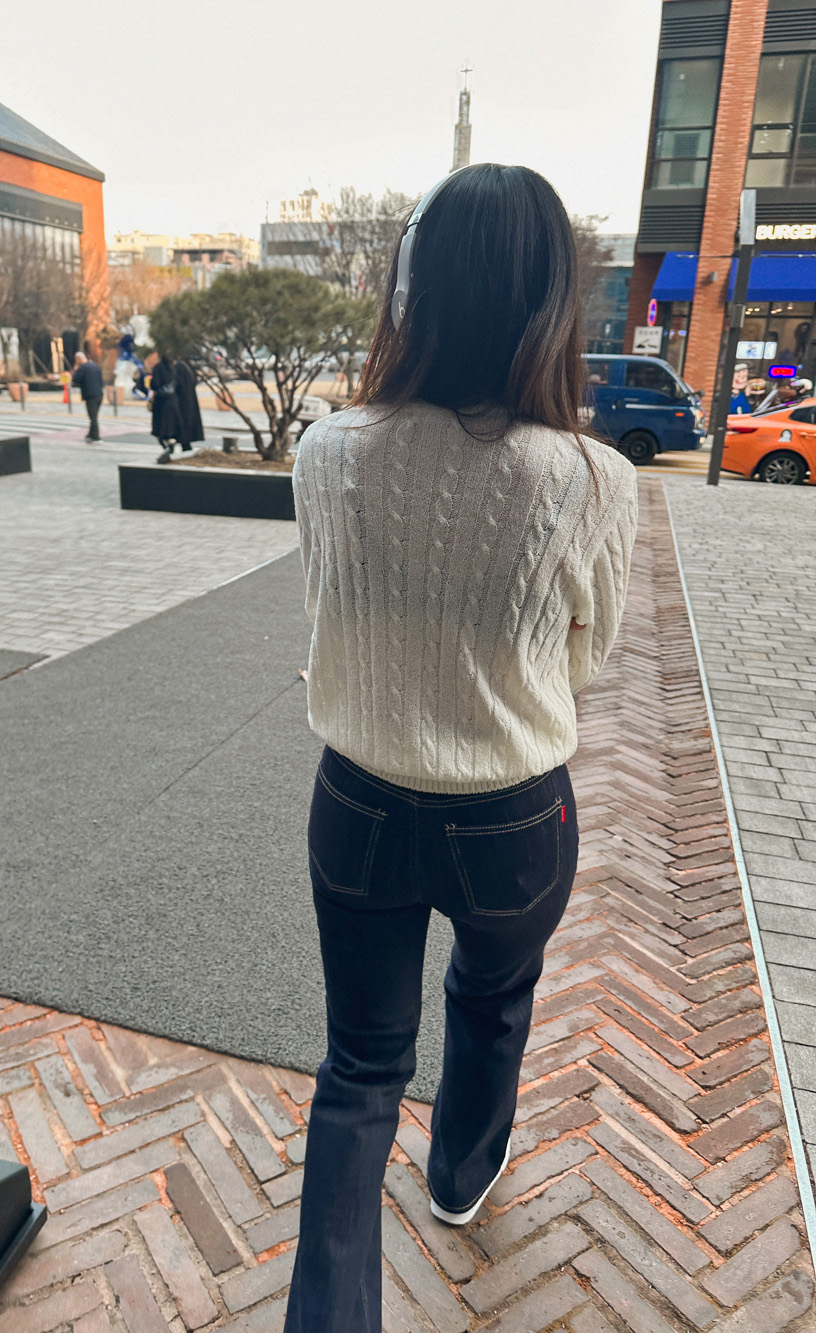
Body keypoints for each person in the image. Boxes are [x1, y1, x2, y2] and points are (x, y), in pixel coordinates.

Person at [286, 162, 638, 1333]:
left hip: (358, 801)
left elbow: (331, 610)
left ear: (414, 288)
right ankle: (459, 1174)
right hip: (512, 813)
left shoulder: (328, 449)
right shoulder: (592, 479)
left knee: (358, 1068)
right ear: (552, 300)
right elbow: (587, 654)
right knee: (493, 998)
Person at [150, 355, 184, 462]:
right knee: (171, 429)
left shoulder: (158, 367)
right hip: (173, 401)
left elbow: (154, 384)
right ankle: (171, 444)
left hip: (161, 402)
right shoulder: (175, 368)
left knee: (160, 430)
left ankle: (167, 448)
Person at [71, 352, 103, 443]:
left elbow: (75, 379)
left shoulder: (83, 368)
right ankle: (90, 434)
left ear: (78, 359)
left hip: (90, 395)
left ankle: (96, 436)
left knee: (93, 417)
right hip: (99, 394)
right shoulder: (95, 366)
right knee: (94, 415)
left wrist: (76, 369)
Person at [174, 359, 204, 450]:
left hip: (181, 401)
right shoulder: (186, 365)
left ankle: (180, 444)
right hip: (188, 399)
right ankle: (185, 444)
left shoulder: (178, 367)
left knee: (181, 424)